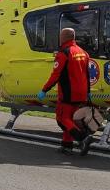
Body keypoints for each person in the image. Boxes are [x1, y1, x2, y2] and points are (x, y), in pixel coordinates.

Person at [37, 27, 93, 155]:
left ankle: (83, 138)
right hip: (82, 93)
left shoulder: (64, 53)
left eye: (61, 36)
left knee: (62, 118)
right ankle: (67, 145)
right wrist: (88, 92)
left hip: (68, 93)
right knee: (70, 120)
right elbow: (87, 75)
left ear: (64, 37)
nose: (59, 38)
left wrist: (44, 90)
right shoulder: (83, 52)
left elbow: (55, 75)